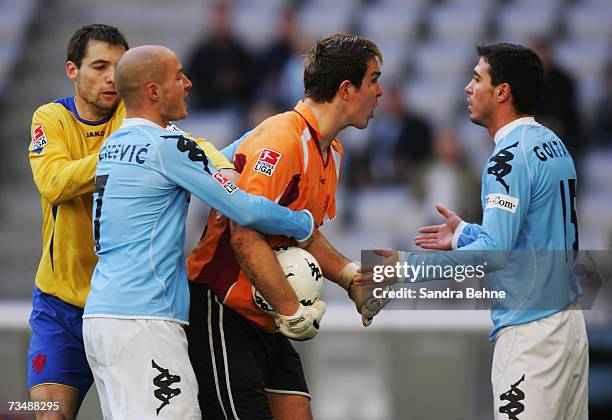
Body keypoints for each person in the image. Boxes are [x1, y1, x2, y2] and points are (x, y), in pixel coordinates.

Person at [82, 45, 319, 419]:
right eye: (179, 75)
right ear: (153, 91)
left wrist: (262, 134)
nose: (189, 83)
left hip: (104, 318)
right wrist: (303, 223)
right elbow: (241, 207)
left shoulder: (116, 144)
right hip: (146, 319)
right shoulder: (165, 147)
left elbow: (201, 162)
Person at [26, 23, 239, 419]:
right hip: (60, 305)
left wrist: (223, 169)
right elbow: (52, 183)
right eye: (99, 66)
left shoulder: (135, 116)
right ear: (73, 71)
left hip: (128, 305)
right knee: (50, 414)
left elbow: (190, 145)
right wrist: (127, 154)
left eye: (118, 67)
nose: (110, 77)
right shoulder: (52, 118)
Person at [367, 43, 588, 419]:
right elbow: (530, 234)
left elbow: (494, 254)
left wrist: (404, 268)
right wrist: (465, 233)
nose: (468, 88)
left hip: (531, 334)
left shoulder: (506, 158)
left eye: (476, 78)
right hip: (569, 325)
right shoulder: (552, 144)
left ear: (502, 91)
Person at [185, 34, 386, 420]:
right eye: (373, 79)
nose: (379, 91)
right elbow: (244, 235)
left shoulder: (333, 151)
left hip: (269, 319)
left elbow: (304, 232)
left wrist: (348, 277)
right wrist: (290, 307)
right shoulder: (282, 138)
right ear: (346, 89)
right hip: (223, 311)